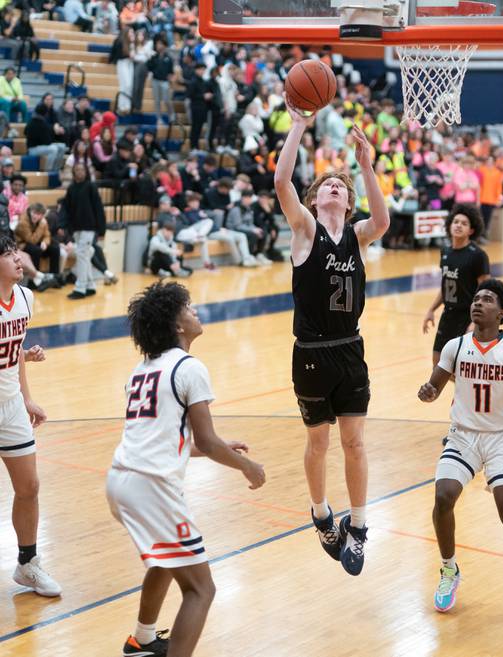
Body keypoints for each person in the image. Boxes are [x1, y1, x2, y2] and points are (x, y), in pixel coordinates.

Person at [107, 281, 265, 657]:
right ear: (176, 326)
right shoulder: (190, 367)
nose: (195, 311)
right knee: (201, 589)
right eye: (188, 307)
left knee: (165, 558)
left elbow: (165, 439)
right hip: (150, 488)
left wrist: (220, 446)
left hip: (120, 481)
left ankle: (142, 640)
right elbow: (207, 442)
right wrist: (247, 466)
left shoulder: (142, 369)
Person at [275, 101, 389, 576]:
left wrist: (365, 166)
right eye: (327, 185)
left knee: (355, 443)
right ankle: (321, 514)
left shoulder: (359, 236)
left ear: (347, 200)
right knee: (318, 442)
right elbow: (282, 183)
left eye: (341, 187)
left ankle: (358, 527)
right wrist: (299, 126)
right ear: (316, 199)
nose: (335, 188)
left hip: (350, 349)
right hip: (311, 354)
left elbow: (382, 222)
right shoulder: (305, 231)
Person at [417, 278, 503, 621]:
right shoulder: (455, 346)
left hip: (501, 438)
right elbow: (434, 385)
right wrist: (428, 392)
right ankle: (448, 571)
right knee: (443, 497)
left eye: (488, 300)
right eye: (477, 298)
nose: (478, 303)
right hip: (462, 436)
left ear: (501, 313)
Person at [0, 233, 61, 597]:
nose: (18, 258)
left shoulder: (25, 297)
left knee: (30, 487)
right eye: (8, 254)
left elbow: (14, 349)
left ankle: (27, 564)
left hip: (10, 407)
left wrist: (26, 398)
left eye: (15, 252)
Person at [422, 204, 490, 369]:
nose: (458, 225)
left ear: (471, 231)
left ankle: (469, 393)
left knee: (463, 366)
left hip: (467, 315)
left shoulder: (478, 255)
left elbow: (486, 291)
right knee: (438, 363)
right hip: (448, 315)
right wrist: (431, 309)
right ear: (449, 225)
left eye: (464, 223)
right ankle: (465, 392)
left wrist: (476, 321)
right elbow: (446, 285)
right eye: (456, 221)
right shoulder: (445, 252)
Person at [62, 162, 106, 299]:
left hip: (89, 228)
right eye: (77, 170)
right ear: (74, 172)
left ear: (86, 172)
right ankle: (91, 286)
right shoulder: (71, 189)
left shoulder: (91, 187)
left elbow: (99, 208)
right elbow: (67, 209)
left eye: (82, 169)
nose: (80, 172)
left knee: (81, 254)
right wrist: (65, 226)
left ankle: (80, 288)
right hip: (76, 228)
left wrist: (101, 230)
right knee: (85, 255)